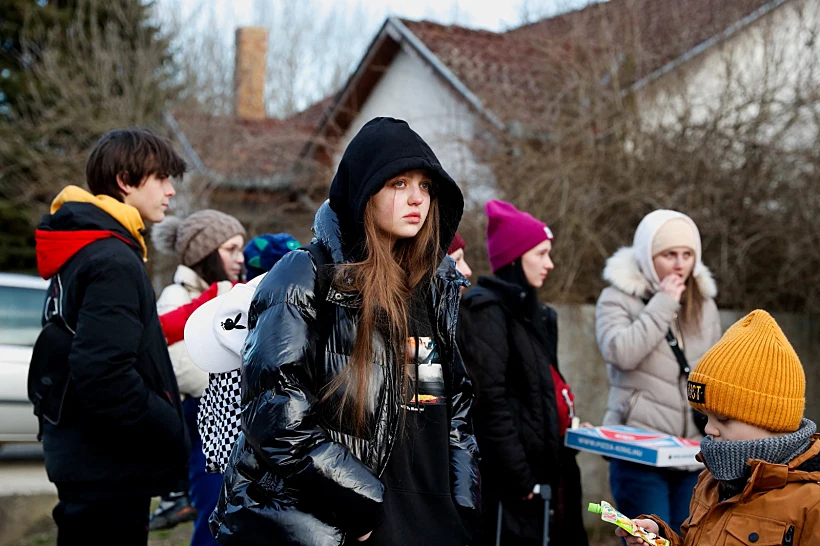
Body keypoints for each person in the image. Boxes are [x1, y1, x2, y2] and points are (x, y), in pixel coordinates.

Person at [209, 117, 479, 546]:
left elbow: (445, 401)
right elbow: (277, 414)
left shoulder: (432, 285)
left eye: (426, 186)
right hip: (353, 521)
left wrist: (462, 497)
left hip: (432, 517)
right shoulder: (304, 275)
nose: (417, 199)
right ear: (363, 193)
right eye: (398, 184)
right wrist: (361, 507)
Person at [31, 128, 189, 546]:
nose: (171, 191)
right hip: (108, 466)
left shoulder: (86, 249)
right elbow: (102, 371)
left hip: (90, 460)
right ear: (125, 181)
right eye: (162, 178)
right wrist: (167, 422)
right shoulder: (112, 259)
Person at [619, 310, 820, 545]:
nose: (709, 429)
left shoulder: (811, 501)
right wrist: (662, 539)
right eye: (705, 417)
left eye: (723, 419)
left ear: (771, 419)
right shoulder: (711, 479)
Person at [457, 200, 588, 546]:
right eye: (541, 254)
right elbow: (490, 401)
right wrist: (518, 478)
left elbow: (541, 392)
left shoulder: (539, 315)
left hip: (551, 476)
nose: (550, 263)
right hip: (516, 489)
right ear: (515, 257)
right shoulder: (486, 311)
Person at [595, 210, 722, 532]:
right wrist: (664, 303)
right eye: (669, 254)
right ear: (648, 257)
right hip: (638, 452)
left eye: (687, 254)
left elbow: (715, 369)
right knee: (649, 540)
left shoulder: (704, 304)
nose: (680, 264)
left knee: (687, 537)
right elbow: (620, 353)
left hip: (693, 453)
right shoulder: (616, 298)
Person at [149, 210, 246, 543]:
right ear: (205, 252)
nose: (240, 257)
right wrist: (236, 382)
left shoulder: (233, 296)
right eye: (230, 249)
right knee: (212, 519)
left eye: (241, 248)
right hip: (204, 429)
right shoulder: (177, 299)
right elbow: (178, 370)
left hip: (235, 427)